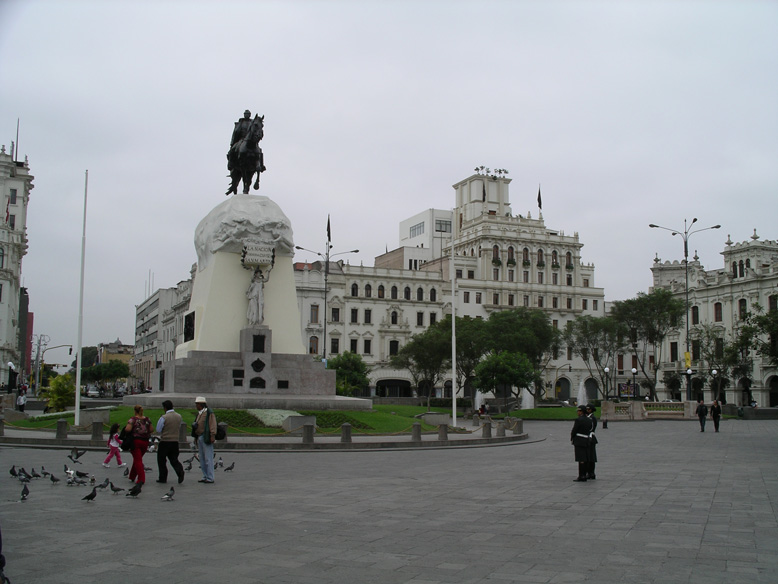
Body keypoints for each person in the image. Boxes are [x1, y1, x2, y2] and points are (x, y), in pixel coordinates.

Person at [156, 400, 185, 484]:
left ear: (165, 408)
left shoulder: (164, 417)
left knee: (161, 460)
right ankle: (180, 471)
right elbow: (179, 426)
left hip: (165, 441)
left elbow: (158, 429)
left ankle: (163, 477)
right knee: (174, 459)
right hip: (175, 441)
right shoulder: (179, 416)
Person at [125, 405, 152, 485]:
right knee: (138, 459)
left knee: (138, 460)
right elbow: (151, 429)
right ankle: (132, 476)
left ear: (135, 411)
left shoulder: (133, 419)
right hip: (145, 442)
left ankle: (141, 479)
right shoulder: (147, 419)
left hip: (136, 441)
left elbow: (128, 429)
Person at [193, 396, 217, 484]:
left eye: (197, 404)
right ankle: (205, 475)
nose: (196, 406)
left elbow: (212, 424)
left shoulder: (209, 413)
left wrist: (212, 435)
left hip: (206, 436)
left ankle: (210, 477)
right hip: (199, 436)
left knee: (208, 458)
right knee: (202, 458)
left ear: (201, 404)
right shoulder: (200, 413)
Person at [571, 405, 594, 482]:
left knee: (581, 459)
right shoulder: (589, 420)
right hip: (586, 440)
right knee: (586, 458)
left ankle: (582, 475)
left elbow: (574, 430)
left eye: (578, 411)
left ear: (581, 412)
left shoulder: (578, 420)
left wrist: (572, 437)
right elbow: (591, 429)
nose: (577, 412)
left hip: (579, 440)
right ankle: (585, 474)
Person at [585, 404, 598, 480]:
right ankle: (589, 472)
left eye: (588, 409)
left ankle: (591, 472)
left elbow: (591, 428)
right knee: (588, 456)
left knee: (591, 456)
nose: (587, 411)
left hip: (590, 437)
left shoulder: (592, 418)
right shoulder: (588, 417)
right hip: (588, 437)